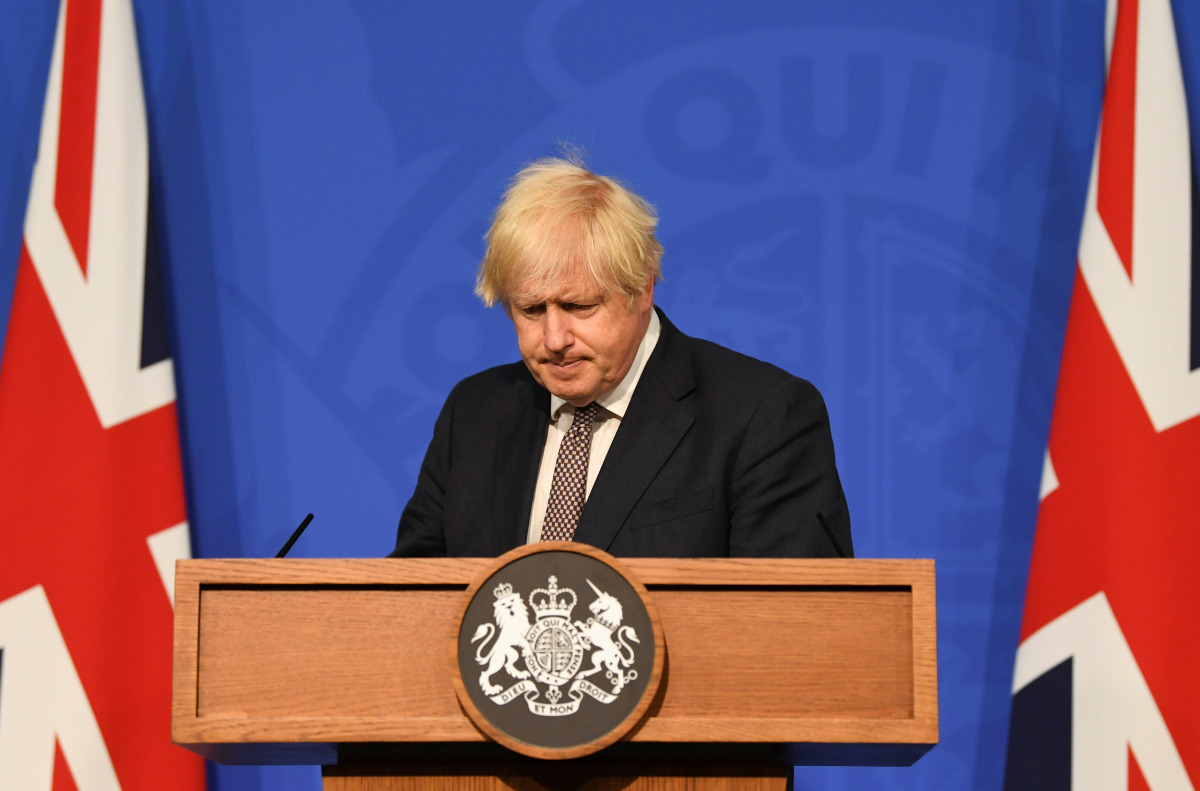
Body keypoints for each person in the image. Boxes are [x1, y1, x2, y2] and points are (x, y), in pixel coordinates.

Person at [391, 156, 851, 558]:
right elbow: (412, 602)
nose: (554, 338)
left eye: (578, 306)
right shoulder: (473, 413)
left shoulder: (762, 416)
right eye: (531, 310)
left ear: (642, 289)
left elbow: (798, 624)